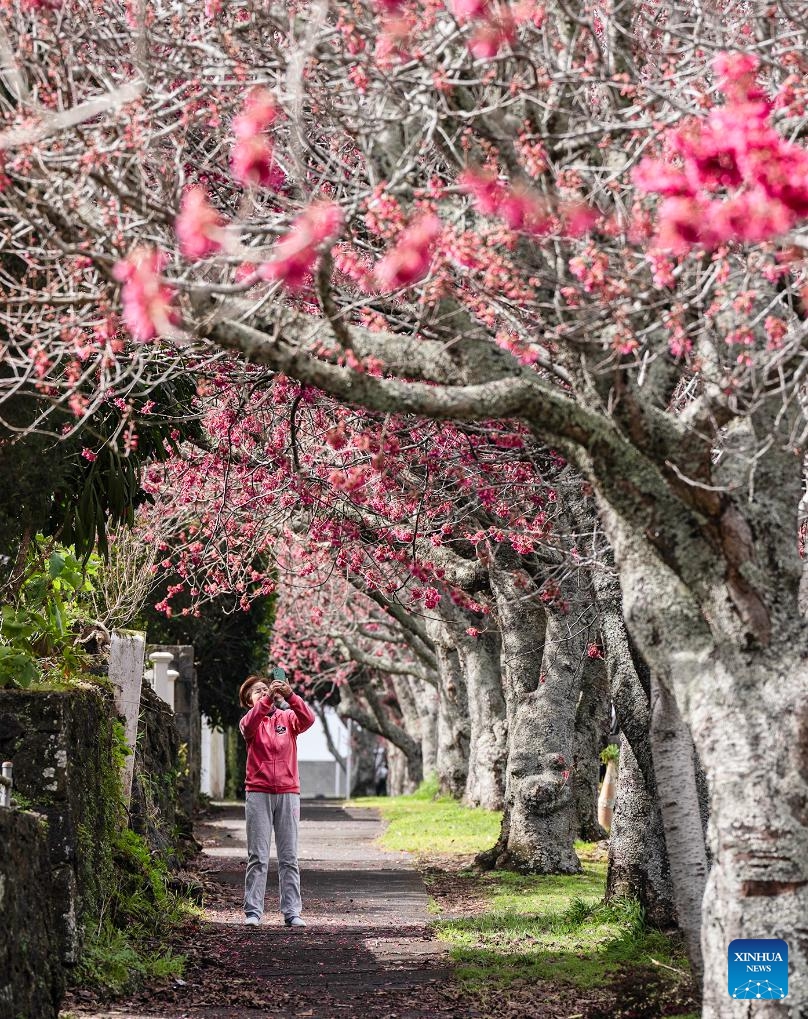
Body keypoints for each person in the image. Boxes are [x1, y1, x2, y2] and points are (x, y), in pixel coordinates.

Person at [238, 670, 315, 928]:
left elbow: (308, 719)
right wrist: (266, 700)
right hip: (258, 792)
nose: (263, 691)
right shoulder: (250, 721)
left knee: (289, 856)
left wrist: (290, 695)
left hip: (288, 792)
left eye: (265, 688)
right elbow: (249, 726)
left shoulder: (288, 718)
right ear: (249, 700)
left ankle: (292, 912)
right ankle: (253, 911)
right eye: (256, 691)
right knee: (258, 856)